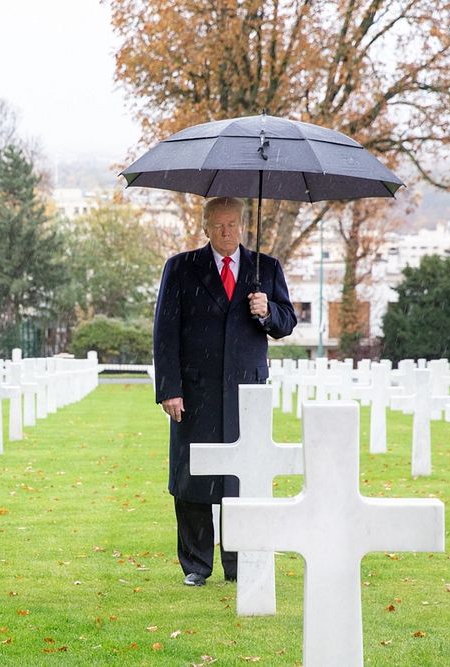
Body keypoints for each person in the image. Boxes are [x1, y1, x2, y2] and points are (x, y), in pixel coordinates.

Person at [153, 196, 296, 586]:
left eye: (233, 224)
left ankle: (238, 563)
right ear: (205, 227)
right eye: (218, 225)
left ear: (244, 226)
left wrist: (267, 311)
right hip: (195, 393)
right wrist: (170, 389)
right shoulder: (181, 268)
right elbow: (165, 331)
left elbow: (287, 322)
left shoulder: (266, 268)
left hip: (246, 392)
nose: (226, 231)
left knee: (241, 480)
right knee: (192, 478)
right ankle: (197, 566)